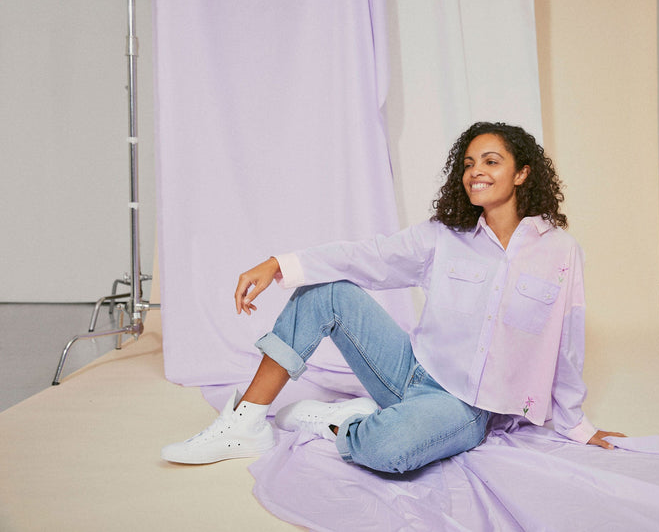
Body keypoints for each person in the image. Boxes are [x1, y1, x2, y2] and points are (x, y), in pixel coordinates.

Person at [161, 121, 624, 472]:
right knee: (327, 292)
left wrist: (577, 426)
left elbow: (565, 345)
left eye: (490, 161)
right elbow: (369, 257)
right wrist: (278, 264)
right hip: (410, 368)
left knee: (390, 451)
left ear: (522, 173)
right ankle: (246, 422)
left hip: (464, 404)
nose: (475, 172)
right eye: (468, 163)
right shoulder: (445, 235)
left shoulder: (560, 252)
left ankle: (341, 423)